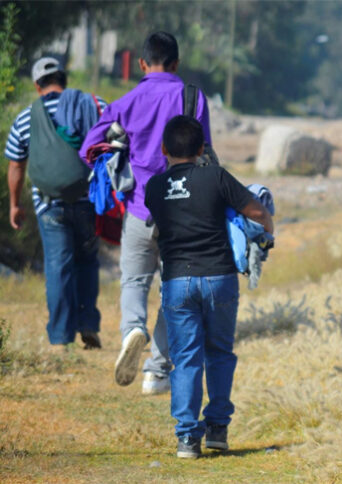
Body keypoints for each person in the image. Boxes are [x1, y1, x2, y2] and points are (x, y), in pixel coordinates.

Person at [81, 32, 211, 395]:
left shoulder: (126, 101)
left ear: (141, 64)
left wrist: (119, 146)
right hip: (183, 215)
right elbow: (207, 151)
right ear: (177, 63)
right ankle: (156, 371)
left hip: (139, 210)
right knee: (175, 291)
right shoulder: (192, 97)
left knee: (134, 282)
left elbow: (88, 148)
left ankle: (132, 330)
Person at [144, 115, 273, 458]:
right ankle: (217, 428)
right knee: (219, 353)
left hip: (177, 282)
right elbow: (256, 211)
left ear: (163, 149)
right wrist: (267, 231)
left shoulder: (153, 187)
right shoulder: (216, 177)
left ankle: (188, 438)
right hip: (219, 278)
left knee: (185, 359)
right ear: (202, 148)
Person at [5, 57, 107, 351]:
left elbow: (16, 165)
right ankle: (87, 324)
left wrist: (14, 204)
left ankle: (61, 338)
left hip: (49, 205)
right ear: (64, 79)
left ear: (38, 86)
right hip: (89, 201)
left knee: (58, 266)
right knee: (87, 261)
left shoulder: (26, 116)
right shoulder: (93, 104)